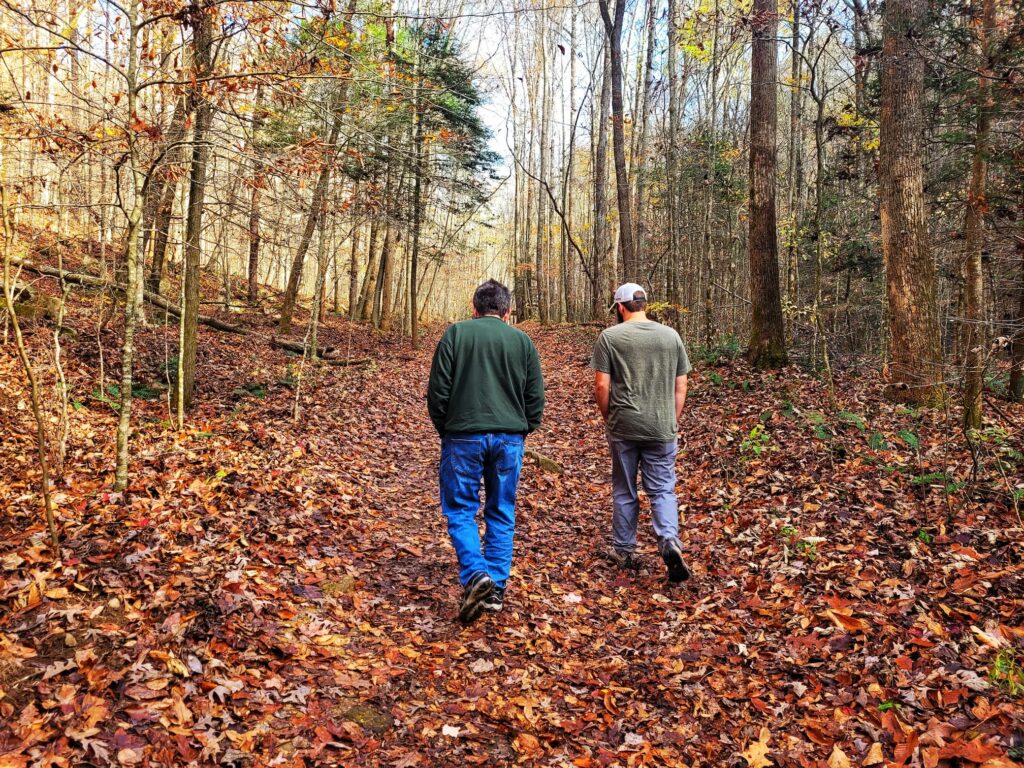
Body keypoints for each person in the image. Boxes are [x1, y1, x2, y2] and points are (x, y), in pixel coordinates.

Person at [427, 279, 545, 624]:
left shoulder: (456, 335)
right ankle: (493, 589)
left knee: (461, 509)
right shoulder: (522, 341)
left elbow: (438, 392)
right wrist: (523, 429)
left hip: (463, 436)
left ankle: (477, 574)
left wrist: (448, 430)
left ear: (474, 307)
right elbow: (535, 397)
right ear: (507, 312)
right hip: (508, 438)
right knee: (501, 510)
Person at [591, 283, 692, 583]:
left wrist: (609, 417)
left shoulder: (610, 337)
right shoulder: (671, 336)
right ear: (645, 304)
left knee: (625, 488)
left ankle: (624, 550)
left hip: (624, 425)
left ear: (620, 308)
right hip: (662, 427)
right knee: (662, 488)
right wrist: (670, 420)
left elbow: (601, 386)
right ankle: (669, 541)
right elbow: (682, 385)